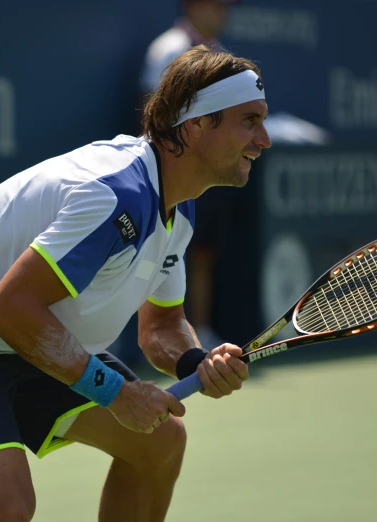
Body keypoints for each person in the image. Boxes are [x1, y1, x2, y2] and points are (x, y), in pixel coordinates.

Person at [0, 45, 271, 522]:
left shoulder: (177, 202)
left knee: (160, 442)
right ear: (195, 126)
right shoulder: (114, 197)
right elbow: (9, 309)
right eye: (249, 120)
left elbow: (160, 324)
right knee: (3, 509)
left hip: (29, 338)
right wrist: (117, 393)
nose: (264, 138)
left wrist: (196, 361)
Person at [138, 0, 241, 351]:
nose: (222, 12)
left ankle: (200, 330)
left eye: (226, 6)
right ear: (193, 6)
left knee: (201, 252)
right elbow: (153, 112)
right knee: (150, 251)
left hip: (206, 169)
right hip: (167, 172)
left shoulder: (222, 55)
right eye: (215, 4)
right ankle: (141, 334)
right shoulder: (167, 49)